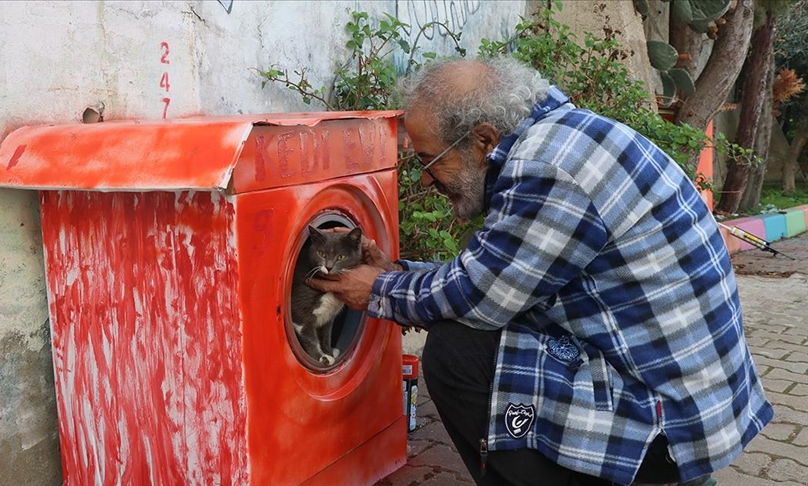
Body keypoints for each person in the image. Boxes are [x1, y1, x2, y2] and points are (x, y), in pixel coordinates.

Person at [307, 58, 772, 486]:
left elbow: (479, 297)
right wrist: (401, 272)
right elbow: (502, 275)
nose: (425, 180)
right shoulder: (567, 137)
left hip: (667, 424)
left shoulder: (548, 170)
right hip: (694, 403)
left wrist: (380, 289)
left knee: (456, 354)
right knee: (484, 333)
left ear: (483, 140)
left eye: (429, 161)